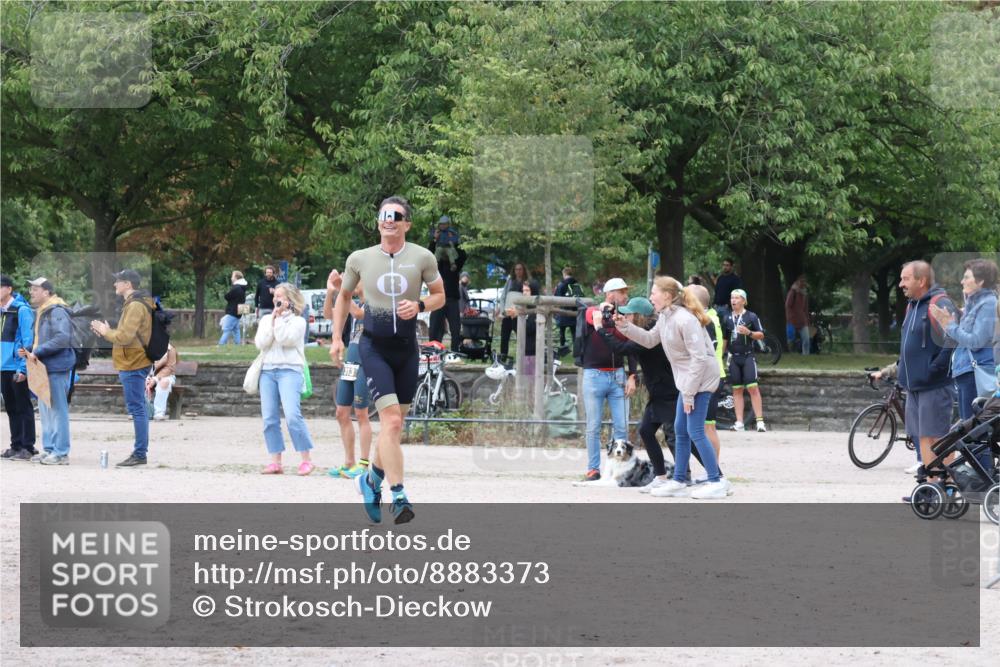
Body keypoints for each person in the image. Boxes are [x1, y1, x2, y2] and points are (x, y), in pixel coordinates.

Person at [330, 196, 445, 525]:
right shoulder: (360, 258)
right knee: (391, 423)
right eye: (384, 215)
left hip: (408, 349)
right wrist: (337, 338)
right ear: (378, 221)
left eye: (396, 216)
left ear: (407, 223)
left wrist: (421, 306)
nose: (389, 220)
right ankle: (398, 496)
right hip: (373, 347)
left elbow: (440, 296)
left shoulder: (422, 257)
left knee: (394, 429)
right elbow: (344, 297)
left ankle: (370, 481)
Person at [615, 276, 729, 499]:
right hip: (687, 381)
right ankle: (678, 480)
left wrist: (688, 393)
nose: (650, 297)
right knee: (680, 429)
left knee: (695, 431)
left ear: (667, 296)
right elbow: (648, 340)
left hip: (700, 381)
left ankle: (718, 481)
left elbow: (699, 359)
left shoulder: (685, 319)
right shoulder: (666, 317)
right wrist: (625, 326)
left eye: (654, 292)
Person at [872, 261, 958, 485]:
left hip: (934, 385)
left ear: (921, 281)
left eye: (905, 279)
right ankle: (930, 486)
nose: (901, 284)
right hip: (914, 386)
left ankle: (946, 485)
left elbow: (953, 339)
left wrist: (934, 368)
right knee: (922, 436)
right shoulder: (913, 305)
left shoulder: (939, 303)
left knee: (938, 436)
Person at [595, 296, 679, 493]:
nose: (625, 315)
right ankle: (661, 476)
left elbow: (621, 348)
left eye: (629, 313)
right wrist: (620, 324)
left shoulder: (650, 334)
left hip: (668, 391)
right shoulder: (645, 330)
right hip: (658, 391)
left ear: (638, 315)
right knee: (646, 431)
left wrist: (600, 328)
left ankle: (699, 475)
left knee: (675, 436)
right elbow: (628, 338)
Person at [90, 269, 155, 467]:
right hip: (134, 360)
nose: (114, 285)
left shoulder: (135, 305)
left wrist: (105, 331)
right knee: (138, 407)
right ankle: (140, 452)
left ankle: (140, 453)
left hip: (134, 363)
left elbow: (125, 337)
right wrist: (109, 332)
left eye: (118, 281)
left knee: (137, 408)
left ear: (128, 284)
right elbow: (127, 334)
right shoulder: (135, 303)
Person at [578, 277, 637, 482]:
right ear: (610, 294)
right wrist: (603, 310)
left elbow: (630, 346)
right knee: (593, 425)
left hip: (618, 375)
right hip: (594, 376)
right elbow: (590, 317)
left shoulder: (622, 317)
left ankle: (619, 468)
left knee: (621, 425)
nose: (625, 296)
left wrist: (632, 375)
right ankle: (593, 468)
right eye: (622, 292)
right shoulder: (593, 311)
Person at [255, 282, 316, 475]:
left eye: (280, 297)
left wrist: (279, 320)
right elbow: (261, 342)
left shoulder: (299, 321)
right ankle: (275, 460)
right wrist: (273, 319)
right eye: (275, 297)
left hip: (290, 370)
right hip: (268, 371)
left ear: (290, 300)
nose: (276, 300)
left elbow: (284, 339)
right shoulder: (266, 319)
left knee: (292, 416)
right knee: (269, 418)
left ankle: (306, 459)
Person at [931, 258, 998, 420]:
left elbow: (976, 342)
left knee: (973, 431)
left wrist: (950, 325)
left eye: (967, 277)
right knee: (967, 429)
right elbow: (961, 337)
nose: (962, 281)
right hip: (964, 371)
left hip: (974, 373)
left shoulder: (988, 304)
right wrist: (947, 324)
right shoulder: (973, 304)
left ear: (980, 281)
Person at [323, 269, 372, 480]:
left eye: (355, 281)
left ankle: (363, 463)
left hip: (367, 363)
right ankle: (348, 462)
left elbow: (359, 314)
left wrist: (344, 290)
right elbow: (330, 315)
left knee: (361, 413)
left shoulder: (373, 302)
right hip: (351, 363)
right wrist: (330, 292)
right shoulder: (352, 302)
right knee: (341, 412)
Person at [21, 278, 74, 465]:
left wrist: (38, 351)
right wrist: (28, 348)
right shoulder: (43, 311)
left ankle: (61, 453)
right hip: (43, 368)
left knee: (58, 411)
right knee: (45, 411)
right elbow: (40, 339)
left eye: (35, 289)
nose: (31, 292)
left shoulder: (57, 310)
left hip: (56, 367)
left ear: (47, 292)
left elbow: (62, 338)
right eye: (31, 288)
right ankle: (50, 449)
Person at [688, 284, 725, 467]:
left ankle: (714, 470)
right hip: (711, 376)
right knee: (704, 426)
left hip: (711, 378)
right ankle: (712, 469)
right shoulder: (708, 318)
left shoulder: (706, 321)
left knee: (707, 426)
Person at [1, 274, 36, 461]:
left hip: (16, 366)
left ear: (8, 289)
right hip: (3, 367)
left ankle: (28, 447)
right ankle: (15, 445)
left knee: (23, 406)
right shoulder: (1, 311)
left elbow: (27, 340)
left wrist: (23, 368)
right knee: (11, 408)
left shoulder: (21, 310)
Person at [722, 289, 767, 432]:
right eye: (731, 298)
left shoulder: (751, 316)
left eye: (736, 298)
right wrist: (720, 357)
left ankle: (760, 422)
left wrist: (749, 333)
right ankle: (739, 422)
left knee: (753, 388)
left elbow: (761, 335)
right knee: (737, 389)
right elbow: (724, 339)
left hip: (748, 356)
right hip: (734, 357)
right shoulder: (727, 318)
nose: (733, 300)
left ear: (743, 301)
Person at [428, 232, 467, 352]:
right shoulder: (436, 266)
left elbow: (463, 255)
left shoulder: (454, 266)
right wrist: (435, 239)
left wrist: (454, 240)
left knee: (455, 329)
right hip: (437, 300)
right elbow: (429, 253)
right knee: (434, 328)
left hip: (452, 300)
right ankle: (434, 353)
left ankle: (455, 352)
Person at [499, 263, 540, 361]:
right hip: (508, 312)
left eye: (520, 269)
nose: (518, 271)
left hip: (519, 313)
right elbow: (503, 296)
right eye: (516, 269)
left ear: (524, 270)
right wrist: (502, 311)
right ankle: (503, 355)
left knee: (521, 335)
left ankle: (523, 355)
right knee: (504, 336)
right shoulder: (510, 281)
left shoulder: (527, 282)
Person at [146, 343, 178, 421]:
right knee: (139, 381)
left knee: (164, 383)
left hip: (167, 376)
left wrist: (155, 379)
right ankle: (139, 412)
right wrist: (147, 377)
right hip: (147, 375)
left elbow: (170, 368)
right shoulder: (145, 346)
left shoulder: (170, 349)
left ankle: (159, 413)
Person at [554, 267, 582, 352]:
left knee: (562, 333)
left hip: (563, 311)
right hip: (574, 312)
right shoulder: (576, 284)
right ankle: (576, 351)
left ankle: (562, 350)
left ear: (564, 274)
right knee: (574, 333)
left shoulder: (561, 284)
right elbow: (580, 297)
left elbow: (556, 297)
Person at [219, 271, 248, 345]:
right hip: (239, 311)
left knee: (226, 329)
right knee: (236, 329)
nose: (231, 278)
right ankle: (237, 345)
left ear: (236, 278)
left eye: (232, 276)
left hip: (232, 311)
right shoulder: (242, 287)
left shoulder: (236, 287)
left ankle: (221, 344)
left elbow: (227, 296)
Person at [785, 275, 811, 354]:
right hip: (792, 320)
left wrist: (807, 318)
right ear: (798, 282)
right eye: (801, 281)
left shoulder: (804, 294)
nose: (803, 283)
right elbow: (787, 305)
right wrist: (790, 317)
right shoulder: (793, 292)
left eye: (804, 281)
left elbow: (805, 309)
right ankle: (791, 355)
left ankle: (806, 356)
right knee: (790, 340)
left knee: (806, 340)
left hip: (802, 321)